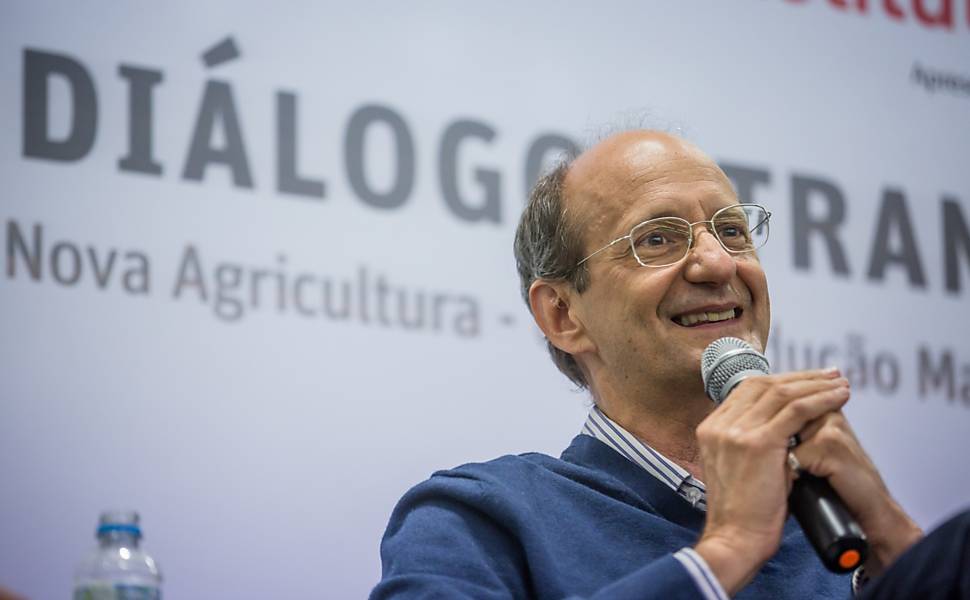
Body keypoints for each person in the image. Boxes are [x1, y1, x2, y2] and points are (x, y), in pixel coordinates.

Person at [371, 130, 968, 599]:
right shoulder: (480, 517)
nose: (717, 263)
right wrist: (727, 552)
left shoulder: (837, 526)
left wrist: (904, 552)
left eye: (733, 231)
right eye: (658, 238)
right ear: (562, 314)